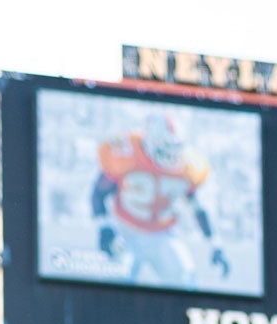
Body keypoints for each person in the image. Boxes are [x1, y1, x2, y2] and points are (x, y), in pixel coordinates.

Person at [91, 109, 229, 288]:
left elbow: (197, 207)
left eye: (176, 148)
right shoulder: (127, 152)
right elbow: (98, 193)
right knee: (116, 283)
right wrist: (104, 227)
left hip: (163, 234)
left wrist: (215, 243)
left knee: (186, 280)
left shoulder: (189, 166)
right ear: (150, 142)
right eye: (166, 148)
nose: (171, 155)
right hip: (126, 230)